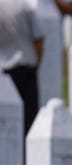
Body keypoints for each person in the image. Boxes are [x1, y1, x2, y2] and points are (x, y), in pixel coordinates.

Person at [0, 0, 45, 134]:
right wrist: (37, 64)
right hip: (26, 68)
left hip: (4, 71)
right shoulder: (25, 6)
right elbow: (39, 38)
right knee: (30, 122)